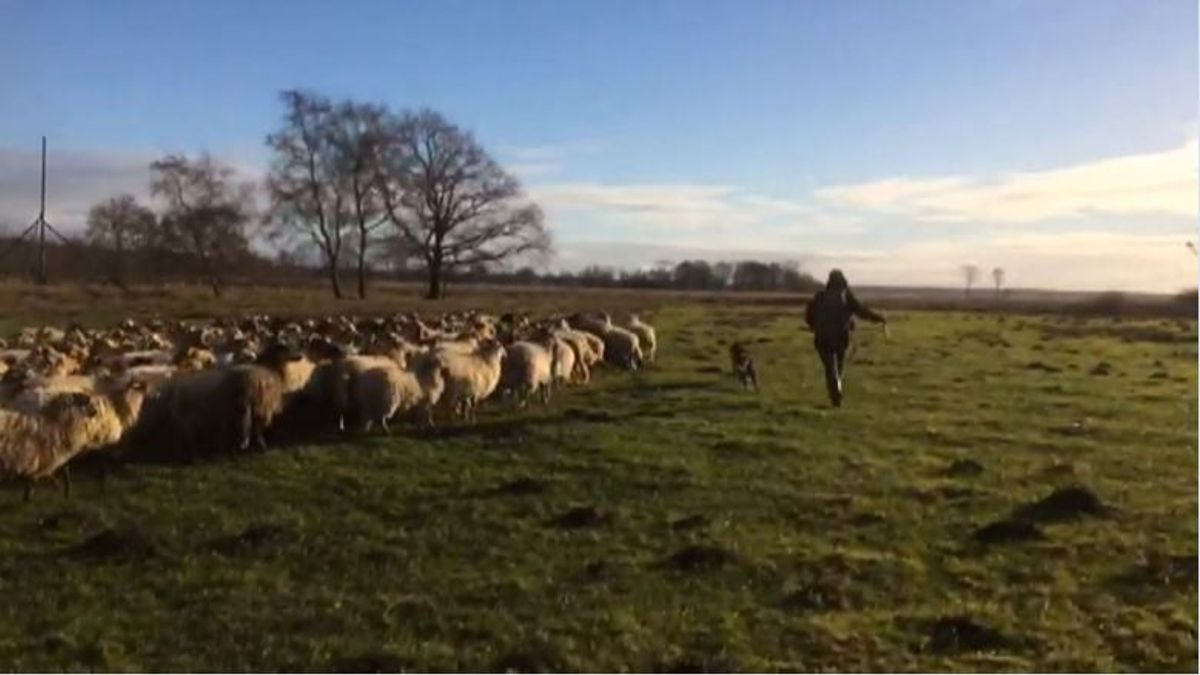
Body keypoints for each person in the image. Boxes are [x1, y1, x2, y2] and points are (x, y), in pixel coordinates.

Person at [804, 269, 886, 407]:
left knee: (829, 367)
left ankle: (835, 395)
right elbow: (861, 311)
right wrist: (879, 318)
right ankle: (837, 393)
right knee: (838, 366)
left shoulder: (819, 296)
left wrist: (814, 326)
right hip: (840, 337)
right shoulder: (846, 296)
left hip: (822, 337)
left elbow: (809, 315)